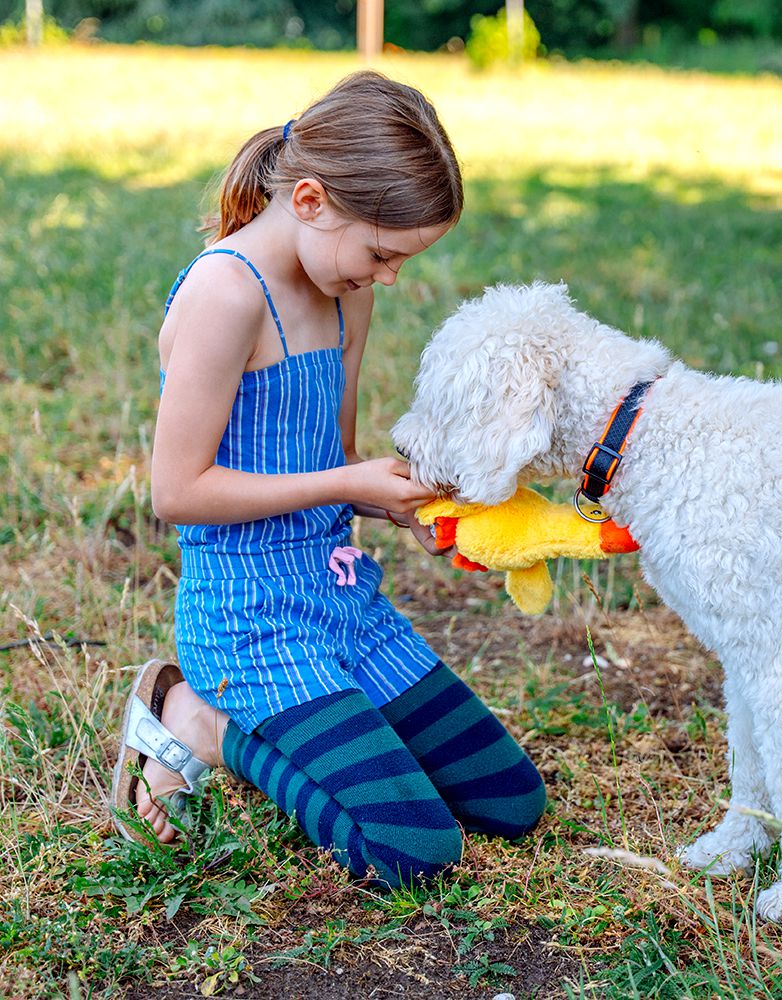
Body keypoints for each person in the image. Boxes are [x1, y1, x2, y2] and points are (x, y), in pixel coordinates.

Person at [111, 71, 546, 888]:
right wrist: (347, 480)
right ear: (309, 199)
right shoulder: (225, 293)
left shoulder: (346, 294)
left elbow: (332, 467)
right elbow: (178, 492)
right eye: (382, 254)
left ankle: (327, 718)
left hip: (341, 600)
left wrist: (410, 506)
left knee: (509, 801)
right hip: (248, 621)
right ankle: (203, 724)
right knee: (412, 850)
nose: (389, 278)